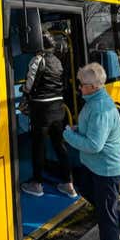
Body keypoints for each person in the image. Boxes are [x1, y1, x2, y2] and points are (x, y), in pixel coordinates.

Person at [63, 62, 120, 240]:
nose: (78, 88)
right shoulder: (95, 101)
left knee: (105, 218)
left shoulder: (99, 108)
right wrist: (79, 128)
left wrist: (68, 135)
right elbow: (95, 129)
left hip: (106, 169)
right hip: (95, 165)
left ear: (93, 87)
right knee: (86, 189)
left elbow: (94, 145)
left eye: (81, 84)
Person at [20, 33, 76, 199]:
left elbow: (29, 85)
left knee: (38, 145)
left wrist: (24, 90)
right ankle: (68, 184)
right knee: (59, 145)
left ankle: (37, 184)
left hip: (41, 110)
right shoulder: (57, 61)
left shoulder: (38, 60)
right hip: (58, 108)